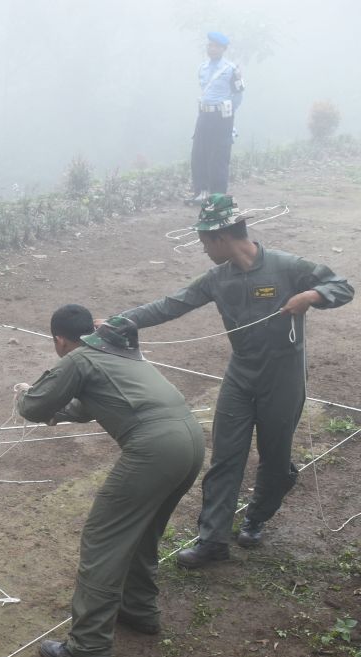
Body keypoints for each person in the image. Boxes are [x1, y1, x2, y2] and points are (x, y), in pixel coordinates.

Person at [118, 194, 353, 567]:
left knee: (275, 462)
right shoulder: (217, 278)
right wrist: (120, 321)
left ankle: (256, 519)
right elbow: (171, 303)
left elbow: (342, 286)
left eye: (204, 243)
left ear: (221, 238)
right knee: (226, 459)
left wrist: (311, 295)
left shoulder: (287, 266)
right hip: (240, 376)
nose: (204, 251)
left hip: (284, 377)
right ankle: (212, 541)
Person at [16, 308, 205, 657]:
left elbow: (34, 406)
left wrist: (26, 395)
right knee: (143, 531)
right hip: (190, 439)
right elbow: (89, 405)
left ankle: (88, 646)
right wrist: (61, 411)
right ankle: (138, 610)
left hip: (154, 448)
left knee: (103, 540)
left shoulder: (79, 357)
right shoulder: (117, 351)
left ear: (60, 339)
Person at [187, 31, 244, 205]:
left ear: (223, 49)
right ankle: (201, 193)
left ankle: (217, 197)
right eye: (210, 45)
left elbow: (238, 95)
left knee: (218, 157)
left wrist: (228, 114)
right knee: (199, 154)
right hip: (204, 115)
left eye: (216, 46)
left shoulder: (231, 70)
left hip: (222, 118)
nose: (211, 49)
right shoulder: (202, 68)